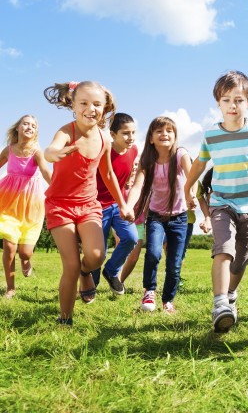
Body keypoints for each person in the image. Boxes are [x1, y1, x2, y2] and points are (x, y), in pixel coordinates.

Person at [185, 70, 248, 333]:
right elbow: (199, 163)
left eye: (238, 100)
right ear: (218, 103)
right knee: (223, 249)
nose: (232, 106)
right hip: (221, 202)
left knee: (241, 260)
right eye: (226, 100)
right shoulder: (211, 135)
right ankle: (219, 305)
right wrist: (187, 186)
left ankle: (230, 295)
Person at [43, 81, 133, 325]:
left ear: (105, 108)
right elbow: (51, 150)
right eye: (83, 103)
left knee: (96, 256)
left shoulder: (105, 139)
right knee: (70, 265)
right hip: (60, 205)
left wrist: (123, 204)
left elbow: (108, 175)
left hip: (88, 206)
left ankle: (86, 272)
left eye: (97, 104)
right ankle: (65, 319)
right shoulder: (66, 132)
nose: (90, 108)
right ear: (72, 105)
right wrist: (53, 153)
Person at [126, 116, 191, 314]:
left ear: (175, 136)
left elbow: (192, 177)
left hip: (179, 218)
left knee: (174, 263)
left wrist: (192, 195)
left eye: (169, 131)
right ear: (151, 138)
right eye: (159, 131)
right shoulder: (148, 160)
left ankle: (168, 300)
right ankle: (149, 291)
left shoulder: (180, 155)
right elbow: (138, 185)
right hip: (156, 216)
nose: (165, 134)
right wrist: (129, 205)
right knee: (153, 253)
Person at [0, 115, 52, 298]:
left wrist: (56, 188)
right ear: (18, 128)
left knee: (24, 252)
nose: (29, 127)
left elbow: (46, 171)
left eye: (33, 125)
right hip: (8, 202)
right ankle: (10, 288)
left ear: (36, 131)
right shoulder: (9, 150)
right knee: (9, 245)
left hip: (31, 205)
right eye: (26, 123)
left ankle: (26, 260)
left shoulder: (37, 151)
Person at [91, 113, 138, 294]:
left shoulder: (134, 151)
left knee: (131, 238)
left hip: (117, 205)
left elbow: (124, 178)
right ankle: (91, 286)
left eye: (133, 132)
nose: (131, 137)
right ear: (113, 134)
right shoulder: (104, 151)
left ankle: (111, 272)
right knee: (98, 251)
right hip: (97, 206)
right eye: (126, 133)